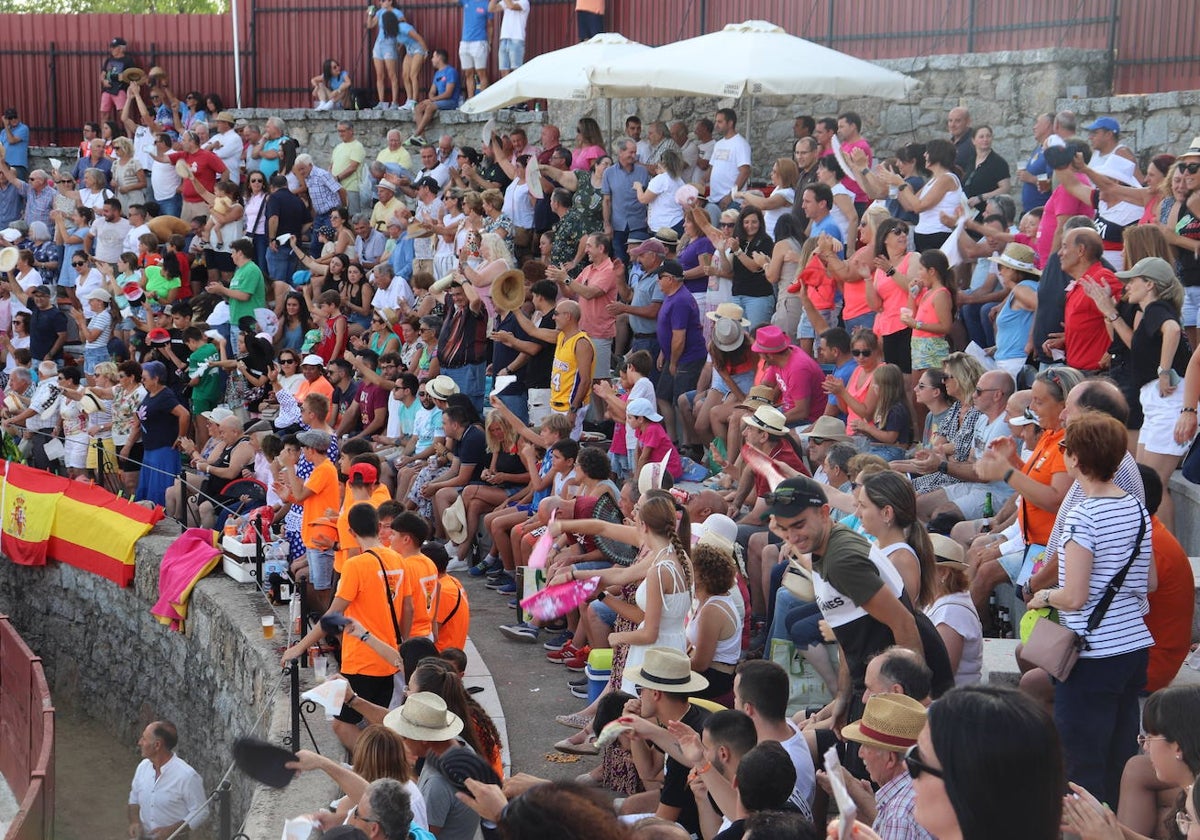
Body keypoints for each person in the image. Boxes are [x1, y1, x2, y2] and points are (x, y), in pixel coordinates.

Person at [1028, 411, 1153, 805]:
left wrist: (1043, 596)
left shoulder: (1082, 515)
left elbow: (1075, 595)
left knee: (1081, 765)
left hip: (1094, 653)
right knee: (1118, 757)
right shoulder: (1136, 507)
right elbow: (1149, 582)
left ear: (1077, 458)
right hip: (1133, 648)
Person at [836, 692, 933, 840]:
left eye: (866, 746)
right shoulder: (921, 785)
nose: (860, 753)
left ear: (890, 759)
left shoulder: (899, 815)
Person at [383, 692, 480, 840]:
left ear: (423, 739)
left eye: (404, 736)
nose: (402, 742)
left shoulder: (438, 782)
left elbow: (424, 834)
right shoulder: (460, 745)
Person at [127, 721, 209, 840]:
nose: (139, 742)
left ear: (157, 745)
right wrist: (134, 821)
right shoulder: (142, 767)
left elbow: (201, 811)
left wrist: (171, 830)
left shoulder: (187, 776)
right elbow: (134, 798)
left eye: (144, 739)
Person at [409, 50, 460, 148]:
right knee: (419, 107)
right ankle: (422, 138)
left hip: (451, 102)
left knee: (430, 107)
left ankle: (415, 134)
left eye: (433, 57)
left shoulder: (451, 71)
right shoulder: (437, 74)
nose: (432, 60)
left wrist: (432, 100)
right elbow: (431, 92)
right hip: (439, 101)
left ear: (439, 58)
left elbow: (448, 94)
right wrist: (431, 98)